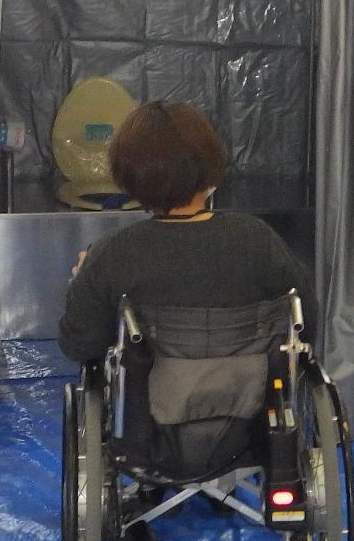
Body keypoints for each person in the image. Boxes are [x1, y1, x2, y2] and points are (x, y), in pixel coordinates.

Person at [59, 101, 309, 368]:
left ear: (129, 176)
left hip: (144, 408)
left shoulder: (112, 255)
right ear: (210, 163)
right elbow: (306, 325)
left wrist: (81, 281)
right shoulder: (259, 240)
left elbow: (78, 344)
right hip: (252, 404)